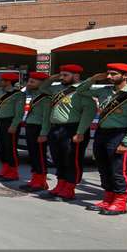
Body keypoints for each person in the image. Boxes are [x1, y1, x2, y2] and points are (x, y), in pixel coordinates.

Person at [77, 63, 127, 215]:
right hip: (102, 132)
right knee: (103, 168)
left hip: (120, 134)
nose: (109, 77)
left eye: (114, 74)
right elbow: (80, 90)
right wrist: (93, 78)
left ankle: (120, 201)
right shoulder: (105, 91)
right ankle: (108, 198)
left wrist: (126, 142)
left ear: (125, 76)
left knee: (118, 169)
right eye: (108, 73)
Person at [39, 64, 97, 201]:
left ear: (76, 76)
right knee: (58, 159)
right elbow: (42, 88)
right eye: (61, 75)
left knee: (71, 160)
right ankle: (60, 185)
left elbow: (88, 114)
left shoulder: (83, 91)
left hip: (73, 129)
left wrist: (80, 132)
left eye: (66, 75)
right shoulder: (57, 88)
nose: (62, 78)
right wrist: (53, 77)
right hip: (56, 128)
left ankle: (69, 188)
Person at [19, 72, 52, 192]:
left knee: (40, 156)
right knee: (33, 155)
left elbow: (46, 117)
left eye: (32, 82)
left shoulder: (46, 97)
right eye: (29, 81)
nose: (29, 84)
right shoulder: (34, 94)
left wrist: (43, 133)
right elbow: (22, 93)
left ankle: (42, 182)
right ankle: (34, 179)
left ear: (41, 83)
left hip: (39, 128)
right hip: (31, 126)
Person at [0, 73, 25, 181]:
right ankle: (5, 169)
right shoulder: (1, 92)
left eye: (2, 80)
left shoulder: (18, 95)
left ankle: (13, 172)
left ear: (8, 82)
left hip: (10, 122)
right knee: (1, 147)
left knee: (10, 148)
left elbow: (19, 113)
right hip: (0, 121)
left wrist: (14, 125)